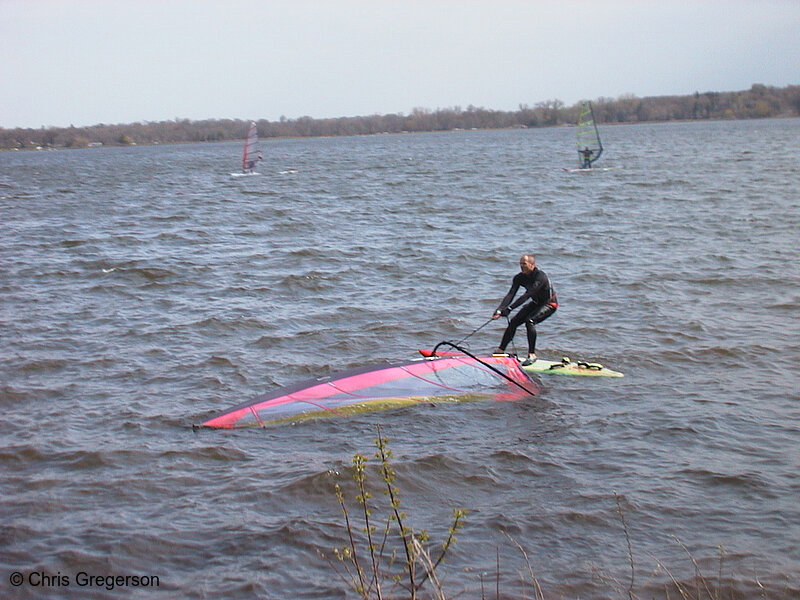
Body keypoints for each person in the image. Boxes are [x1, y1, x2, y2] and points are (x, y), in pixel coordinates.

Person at [492, 254, 558, 365]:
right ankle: (500, 350)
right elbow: (511, 294)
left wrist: (510, 308)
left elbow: (527, 295)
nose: (522, 266)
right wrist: (500, 309)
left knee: (530, 321)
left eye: (524, 264)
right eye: (520, 264)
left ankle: (532, 355)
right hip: (536, 303)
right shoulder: (519, 277)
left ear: (532, 265)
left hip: (549, 304)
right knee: (514, 322)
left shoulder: (540, 277)